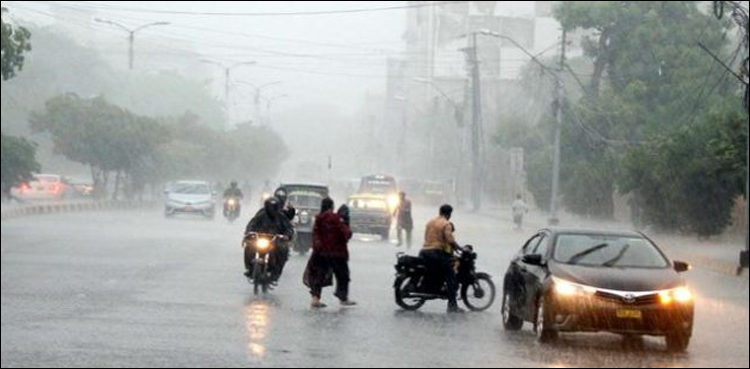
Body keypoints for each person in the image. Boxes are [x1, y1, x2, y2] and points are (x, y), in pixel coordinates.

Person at [304, 198, 356, 308]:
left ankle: (315, 299)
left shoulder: (318, 218)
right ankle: (343, 298)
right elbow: (346, 233)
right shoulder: (336, 218)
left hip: (321, 252)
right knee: (343, 276)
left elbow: (315, 233)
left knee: (319, 275)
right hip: (337, 253)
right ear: (332, 206)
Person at [421, 204, 464, 313]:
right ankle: (452, 305)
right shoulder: (446, 224)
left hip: (425, 251)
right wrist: (459, 248)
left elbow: (426, 237)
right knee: (451, 276)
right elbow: (449, 239)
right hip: (436, 252)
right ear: (449, 214)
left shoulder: (430, 222)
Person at [244, 197, 294, 281]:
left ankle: (276, 272)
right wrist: (249, 232)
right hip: (260, 239)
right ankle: (250, 268)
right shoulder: (261, 215)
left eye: (274, 206)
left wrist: (286, 236)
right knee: (249, 246)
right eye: (270, 206)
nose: (272, 208)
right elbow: (252, 224)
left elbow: (288, 228)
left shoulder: (281, 216)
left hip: (275, 240)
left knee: (283, 249)